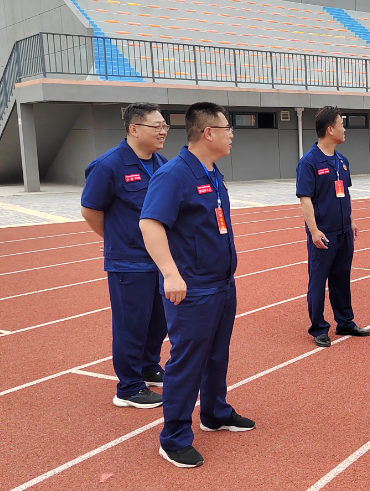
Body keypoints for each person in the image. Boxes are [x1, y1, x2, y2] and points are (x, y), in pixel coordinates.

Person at [140, 102, 254, 468]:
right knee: (187, 361)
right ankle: (173, 437)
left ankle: (215, 412)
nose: (231, 135)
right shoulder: (174, 174)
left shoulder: (212, 172)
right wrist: (170, 273)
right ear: (208, 133)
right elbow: (150, 224)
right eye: (227, 129)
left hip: (221, 283)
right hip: (193, 287)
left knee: (217, 354)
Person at [80, 102, 169, 409]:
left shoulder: (161, 163)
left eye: (164, 126)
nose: (163, 131)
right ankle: (128, 387)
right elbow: (90, 211)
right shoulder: (109, 165)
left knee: (159, 320)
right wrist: (116, 239)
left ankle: (148, 366)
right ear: (134, 128)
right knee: (131, 323)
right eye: (156, 126)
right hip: (129, 261)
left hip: (160, 259)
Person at [296, 106, 370, 348]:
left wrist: (351, 220)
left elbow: (344, 194)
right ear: (330, 130)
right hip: (324, 233)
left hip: (344, 231)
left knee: (341, 277)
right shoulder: (309, 162)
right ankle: (318, 327)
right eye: (341, 125)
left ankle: (345, 321)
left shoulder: (342, 161)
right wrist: (314, 231)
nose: (344, 129)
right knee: (318, 281)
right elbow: (305, 199)